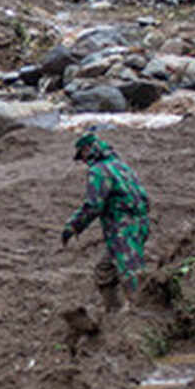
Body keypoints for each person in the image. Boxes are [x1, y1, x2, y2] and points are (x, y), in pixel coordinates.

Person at [61, 132, 151, 313]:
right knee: (104, 271)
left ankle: (140, 315)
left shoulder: (98, 171)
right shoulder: (121, 166)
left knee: (131, 271)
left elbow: (94, 205)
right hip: (140, 224)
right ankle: (113, 314)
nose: (84, 161)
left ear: (87, 150)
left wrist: (73, 226)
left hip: (122, 229)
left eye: (83, 156)